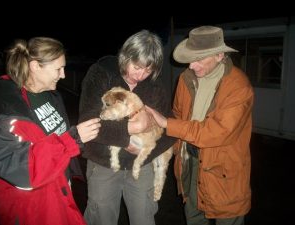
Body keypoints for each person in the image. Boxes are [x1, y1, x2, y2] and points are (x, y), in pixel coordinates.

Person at [146, 26, 254, 225]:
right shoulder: (185, 79)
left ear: (219, 55)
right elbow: (178, 114)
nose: (191, 66)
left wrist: (166, 123)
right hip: (190, 162)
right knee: (194, 218)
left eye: (198, 59)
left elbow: (218, 132)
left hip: (223, 170)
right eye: (189, 59)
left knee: (227, 219)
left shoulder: (238, 86)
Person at [0, 37, 101, 225]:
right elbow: (21, 168)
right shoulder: (6, 108)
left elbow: (59, 136)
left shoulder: (52, 95)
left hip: (58, 187)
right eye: (58, 69)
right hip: (32, 205)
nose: (63, 75)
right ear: (35, 66)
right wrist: (73, 139)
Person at [79, 29, 175, 225]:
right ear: (125, 56)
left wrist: (146, 149)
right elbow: (88, 122)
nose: (140, 75)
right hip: (104, 162)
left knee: (144, 218)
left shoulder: (155, 87)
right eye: (136, 67)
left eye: (148, 70)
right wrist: (129, 131)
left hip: (142, 165)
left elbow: (169, 129)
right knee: (101, 218)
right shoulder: (101, 74)